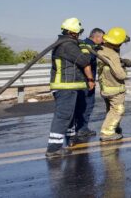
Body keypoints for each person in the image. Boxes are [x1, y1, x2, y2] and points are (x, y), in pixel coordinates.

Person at [46, 18, 95, 158]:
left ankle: (69, 140)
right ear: (73, 33)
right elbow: (84, 60)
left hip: (68, 86)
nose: (79, 35)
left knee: (69, 115)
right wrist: (85, 49)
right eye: (78, 32)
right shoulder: (68, 45)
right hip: (65, 86)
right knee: (63, 116)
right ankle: (53, 148)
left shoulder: (66, 43)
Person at [97, 27, 131, 141]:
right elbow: (120, 75)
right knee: (118, 109)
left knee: (111, 110)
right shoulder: (112, 55)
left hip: (105, 87)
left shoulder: (101, 50)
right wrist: (124, 68)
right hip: (115, 88)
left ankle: (114, 127)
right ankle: (107, 132)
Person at [72, 28, 104, 139]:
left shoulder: (83, 44)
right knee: (87, 104)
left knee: (79, 105)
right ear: (96, 37)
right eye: (102, 38)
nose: (103, 40)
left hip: (79, 80)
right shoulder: (89, 47)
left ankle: (77, 128)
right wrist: (90, 80)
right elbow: (86, 64)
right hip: (86, 81)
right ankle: (82, 129)